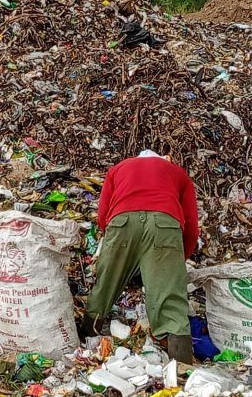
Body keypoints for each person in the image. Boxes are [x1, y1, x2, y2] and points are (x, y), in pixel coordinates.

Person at [79, 150, 199, 364]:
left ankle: (86, 341)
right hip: (165, 223)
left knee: (105, 283)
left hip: (121, 220)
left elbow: (103, 215)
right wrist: (176, 262)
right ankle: (182, 369)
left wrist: (116, 246)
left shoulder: (119, 168)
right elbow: (190, 225)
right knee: (170, 298)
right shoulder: (178, 173)